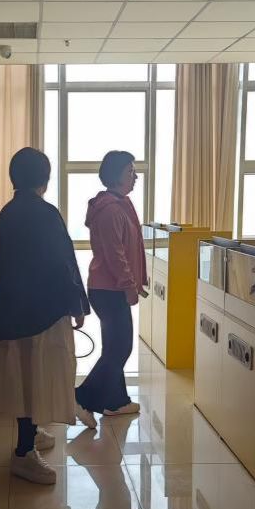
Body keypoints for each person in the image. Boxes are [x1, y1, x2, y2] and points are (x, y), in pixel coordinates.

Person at [0, 147, 89, 485]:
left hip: (15, 307)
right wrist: (77, 303)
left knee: (23, 375)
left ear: (14, 177)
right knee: (35, 376)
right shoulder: (45, 212)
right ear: (46, 178)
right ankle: (24, 453)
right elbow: (62, 263)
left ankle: (31, 434)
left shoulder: (8, 211)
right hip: (42, 310)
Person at [76, 151, 146, 424]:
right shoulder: (111, 209)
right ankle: (82, 398)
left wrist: (135, 282)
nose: (135, 177)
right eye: (130, 171)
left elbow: (129, 249)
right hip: (109, 289)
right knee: (120, 348)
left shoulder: (119, 204)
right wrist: (128, 284)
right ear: (116, 175)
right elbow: (115, 254)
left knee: (115, 346)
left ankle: (116, 402)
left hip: (111, 287)